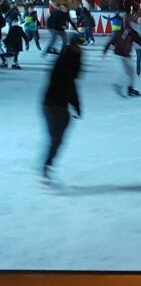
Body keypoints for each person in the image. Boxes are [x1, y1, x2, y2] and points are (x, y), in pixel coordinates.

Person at [41, 34, 84, 182]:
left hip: (54, 105)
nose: (80, 49)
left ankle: (47, 164)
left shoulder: (65, 61)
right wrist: (77, 106)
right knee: (56, 139)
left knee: (58, 136)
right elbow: (70, 84)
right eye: (78, 46)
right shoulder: (66, 65)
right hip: (53, 106)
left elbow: (71, 83)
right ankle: (46, 165)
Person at [103, 17, 141, 97]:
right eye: (131, 23)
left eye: (133, 23)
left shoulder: (134, 34)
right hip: (118, 55)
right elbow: (110, 42)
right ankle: (118, 86)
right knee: (123, 72)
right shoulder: (119, 32)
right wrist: (105, 51)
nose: (133, 24)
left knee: (131, 73)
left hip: (127, 56)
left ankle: (130, 89)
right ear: (127, 23)